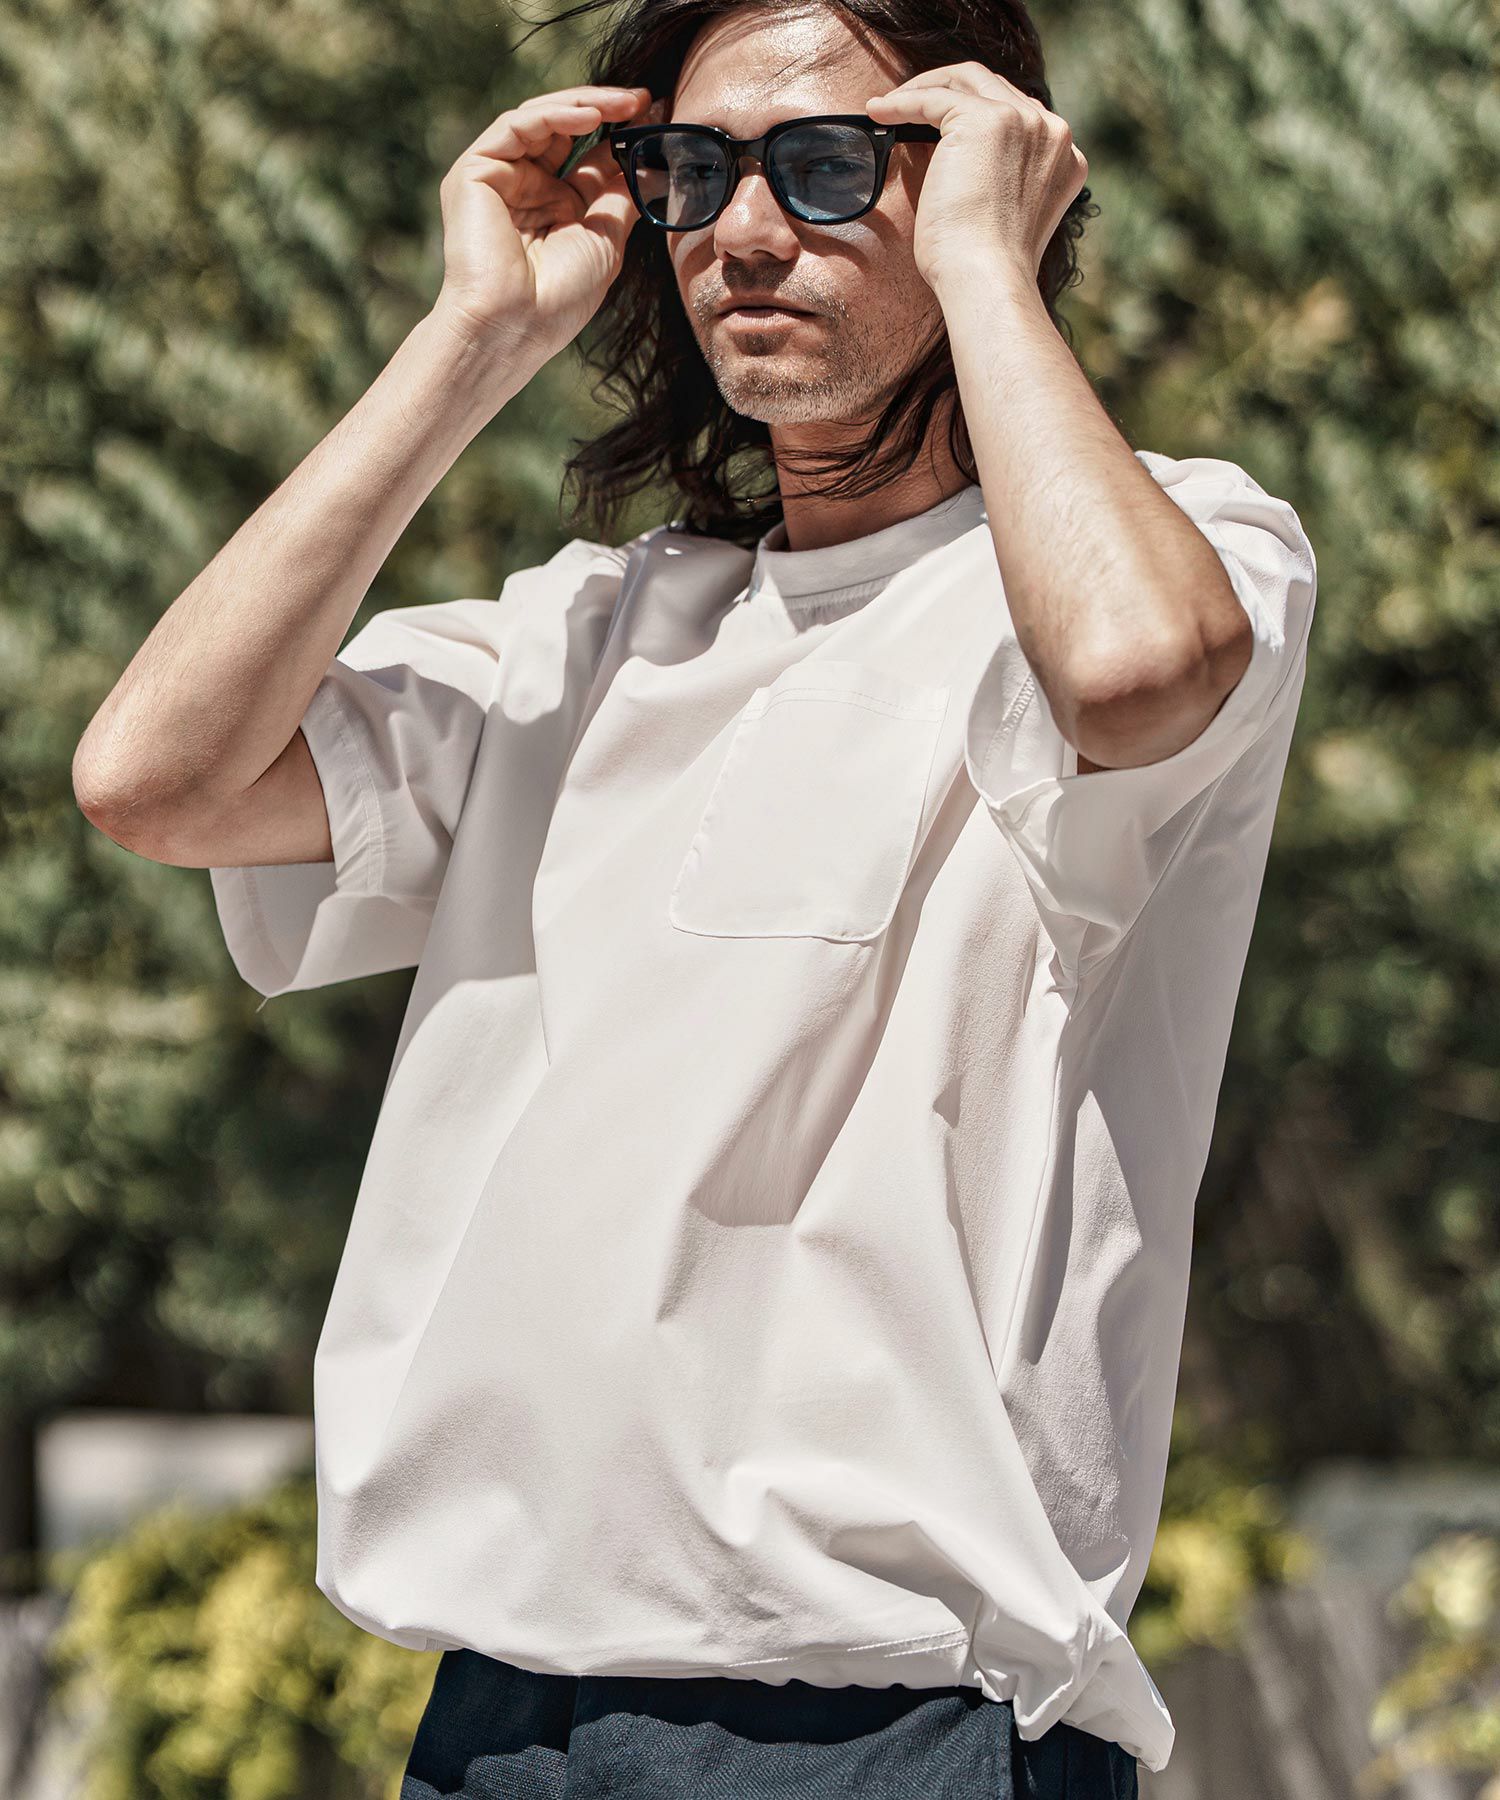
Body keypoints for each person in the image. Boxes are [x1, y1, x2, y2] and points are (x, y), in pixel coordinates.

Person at [72, 0, 1318, 1792]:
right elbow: (158, 781)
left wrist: (991, 267)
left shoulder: (1188, 556)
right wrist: (472, 338)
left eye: (826, 166)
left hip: (891, 1729)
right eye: (691, 170)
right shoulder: (589, 636)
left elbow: (1130, 672)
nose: (742, 228)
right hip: (501, 1723)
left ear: (989, 169)